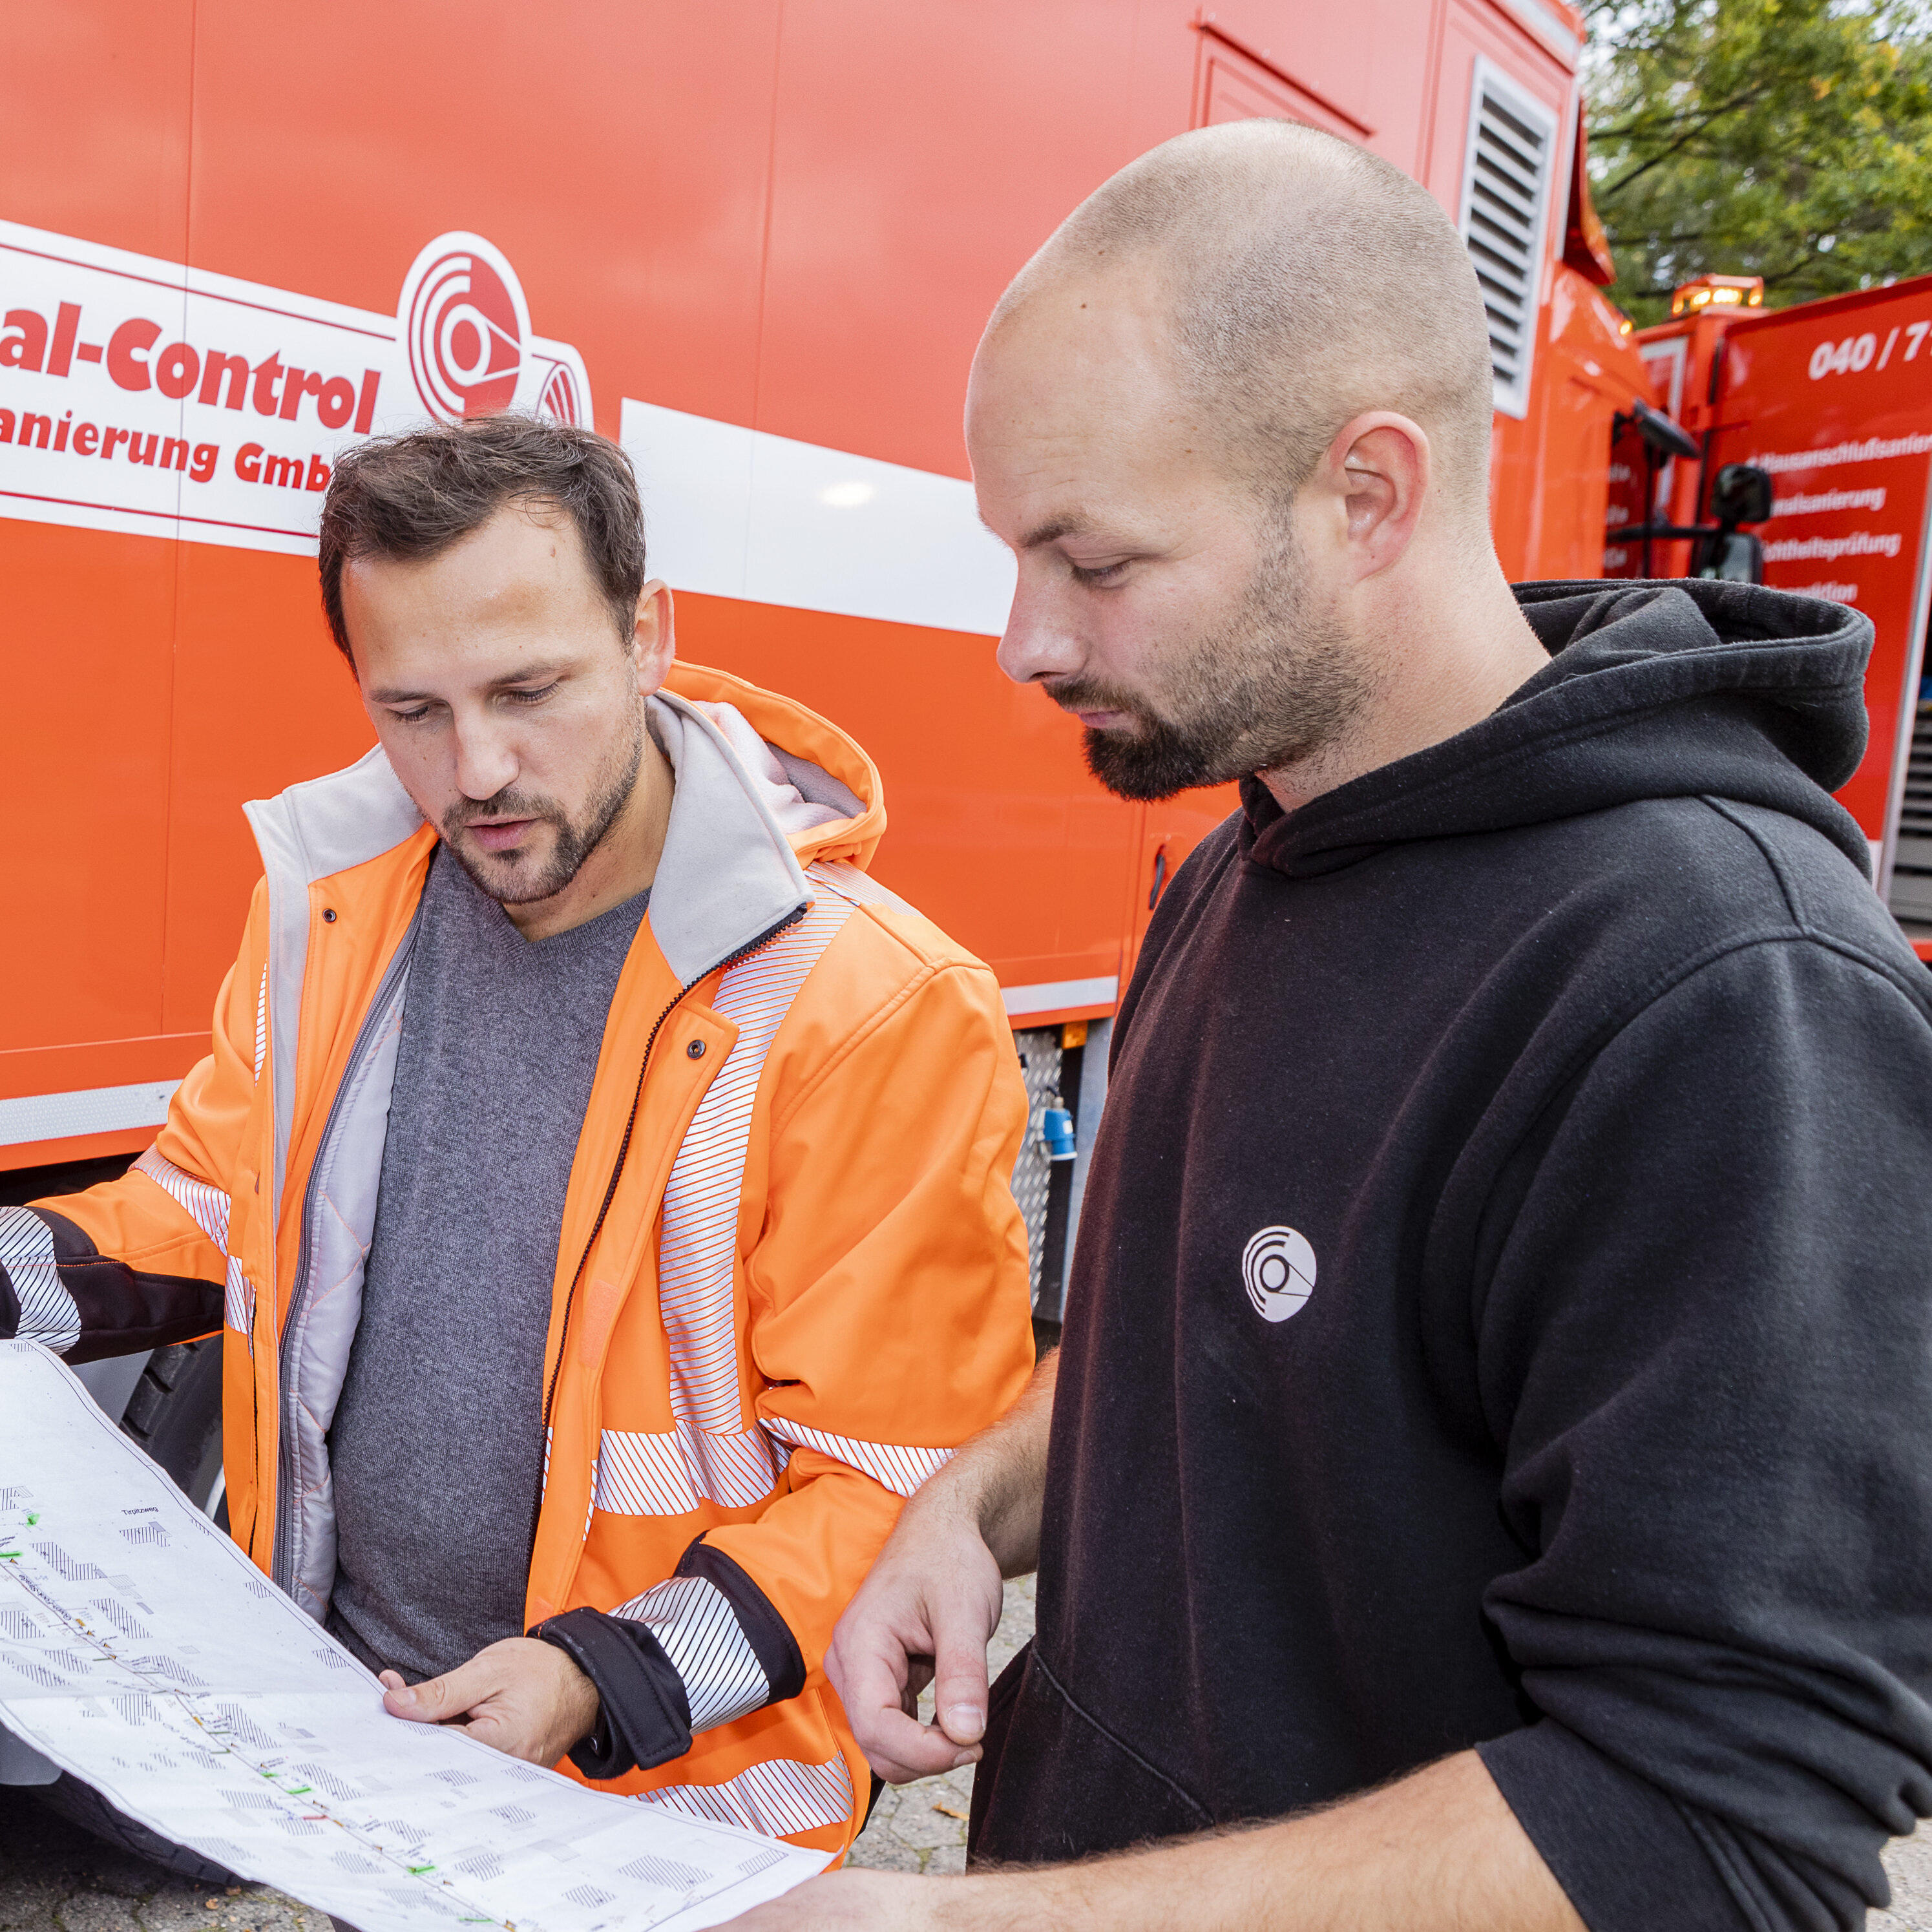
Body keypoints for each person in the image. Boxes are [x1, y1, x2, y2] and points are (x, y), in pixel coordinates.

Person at [726, 121, 1932, 1929]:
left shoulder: (1724, 992)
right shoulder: (1245, 857)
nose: (1022, 640)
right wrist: (971, 1503)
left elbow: (1721, 1829)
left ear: (1366, 493)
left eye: (1091, 559)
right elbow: (1185, 1355)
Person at [0, 414, 1034, 1860]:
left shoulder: (869, 1003)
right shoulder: (337, 919)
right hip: (373, 1751)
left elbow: (897, 1476)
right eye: (411, 709)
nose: (475, 768)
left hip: (674, 1815)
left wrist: (596, 1678)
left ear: (648, 634)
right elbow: (218, 1210)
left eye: (527, 691)